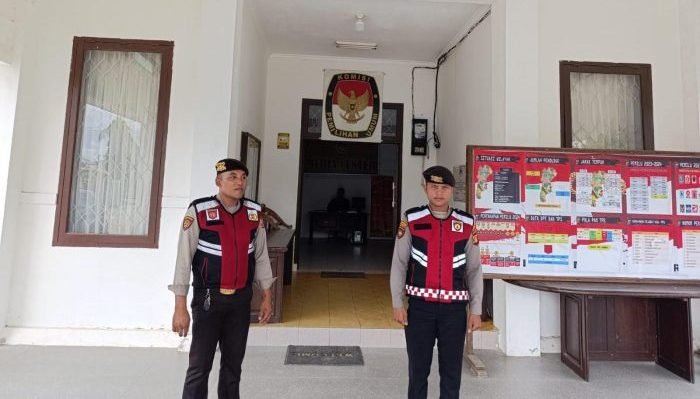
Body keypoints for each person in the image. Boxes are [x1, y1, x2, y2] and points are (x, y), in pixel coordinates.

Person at [169, 158, 274, 399]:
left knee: (232, 368)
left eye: (243, 177)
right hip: (208, 301)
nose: (240, 182)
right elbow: (183, 260)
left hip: (240, 302)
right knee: (199, 367)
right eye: (233, 177)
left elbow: (260, 256)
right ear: (219, 181)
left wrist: (266, 295)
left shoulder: (253, 213)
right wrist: (180, 307)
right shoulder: (199, 211)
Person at [390, 165, 483, 399]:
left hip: (454, 311)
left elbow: (474, 269)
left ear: (452, 190)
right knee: (418, 372)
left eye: (444, 188)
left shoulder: (467, 223)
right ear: (425, 188)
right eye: (433, 187)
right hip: (420, 309)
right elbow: (399, 263)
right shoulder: (411, 219)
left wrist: (476, 309)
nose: (438, 193)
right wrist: (397, 303)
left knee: (451, 374)